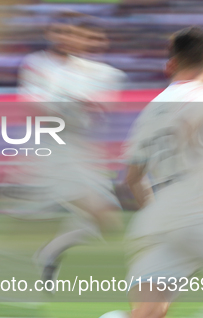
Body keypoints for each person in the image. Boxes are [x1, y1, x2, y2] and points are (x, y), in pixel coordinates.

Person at [41, 26, 203, 318]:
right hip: (196, 208)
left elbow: (130, 178)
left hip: (159, 219)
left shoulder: (150, 110)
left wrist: (164, 219)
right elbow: (192, 117)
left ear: (170, 64)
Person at [12, 17, 124, 285]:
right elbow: (34, 107)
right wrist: (71, 106)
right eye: (60, 32)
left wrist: (83, 106)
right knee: (100, 213)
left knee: (107, 220)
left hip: (80, 151)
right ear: (50, 33)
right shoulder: (38, 64)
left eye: (73, 33)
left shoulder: (97, 72)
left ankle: (49, 253)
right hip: (52, 150)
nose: (67, 38)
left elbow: (100, 111)